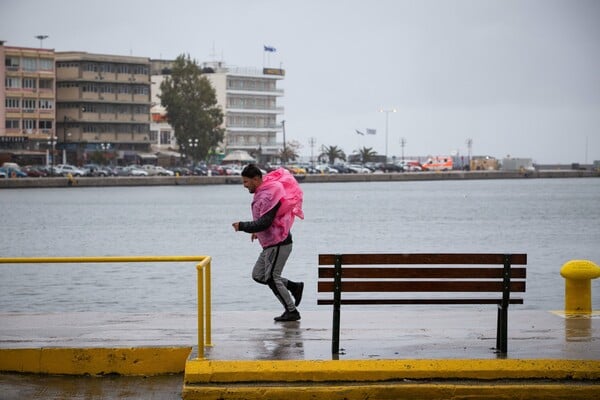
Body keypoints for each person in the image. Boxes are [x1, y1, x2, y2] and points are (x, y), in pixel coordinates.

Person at [232, 164, 304, 322]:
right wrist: (256, 232)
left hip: (279, 242)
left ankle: (292, 311)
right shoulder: (263, 191)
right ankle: (293, 286)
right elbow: (265, 221)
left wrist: (243, 226)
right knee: (258, 275)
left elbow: (265, 222)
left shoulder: (269, 194)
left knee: (272, 277)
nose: (244, 186)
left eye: (246, 182)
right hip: (270, 243)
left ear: (256, 179)